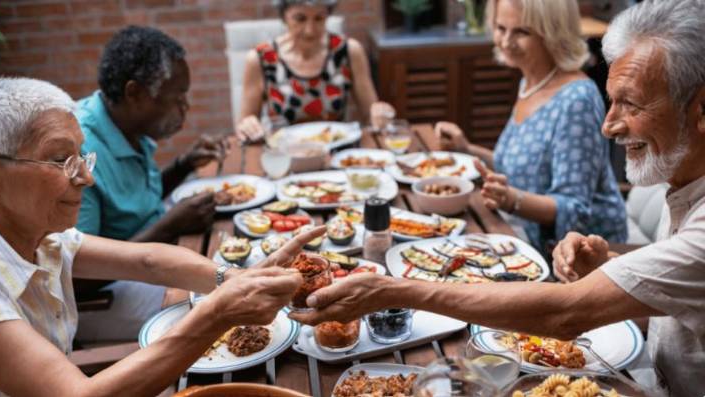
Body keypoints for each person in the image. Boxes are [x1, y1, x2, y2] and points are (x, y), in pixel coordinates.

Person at [291, 1, 705, 394]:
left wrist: (393, 290)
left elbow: (564, 314)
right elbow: (675, 310)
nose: (608, 126)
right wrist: (612, 271)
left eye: (630, 103)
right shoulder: (683, 185)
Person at [0, 77, 325, 396]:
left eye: (82, 157)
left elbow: (146, 260)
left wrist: (233, 278)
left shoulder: (27, 226)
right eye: (60, 160)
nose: (86, 178)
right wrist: (219, 311)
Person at [435, 0, 627, 252]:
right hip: (526, 235)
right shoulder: (530, 82)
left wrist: (511, 200)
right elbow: (524, 167)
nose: (505, 41)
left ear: (553, 34)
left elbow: (574, 208)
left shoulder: (577, 99)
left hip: (584, 256)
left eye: (521, 32)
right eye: (500, 28)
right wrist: (466, 148)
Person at [75, 26, 228, 340]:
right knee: (224, 302)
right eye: (177, 97)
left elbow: (134, 201)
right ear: (135, 93)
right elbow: (78, 274)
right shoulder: (81, 152)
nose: (185, 107)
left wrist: (181, 166)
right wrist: (169, 226)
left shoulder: (125, 125)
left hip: (149, 261)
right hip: (103, 295)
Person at [236, 0, 395, 141]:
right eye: (300, 19)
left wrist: (380, 114)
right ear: (284, 17)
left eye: (319, 18)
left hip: (336, 152)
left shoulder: (348, 51)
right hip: (283, 156)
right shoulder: (261, 59)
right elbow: (245, 124)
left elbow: (370, 115)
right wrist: (248, 126)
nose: (310, 30)